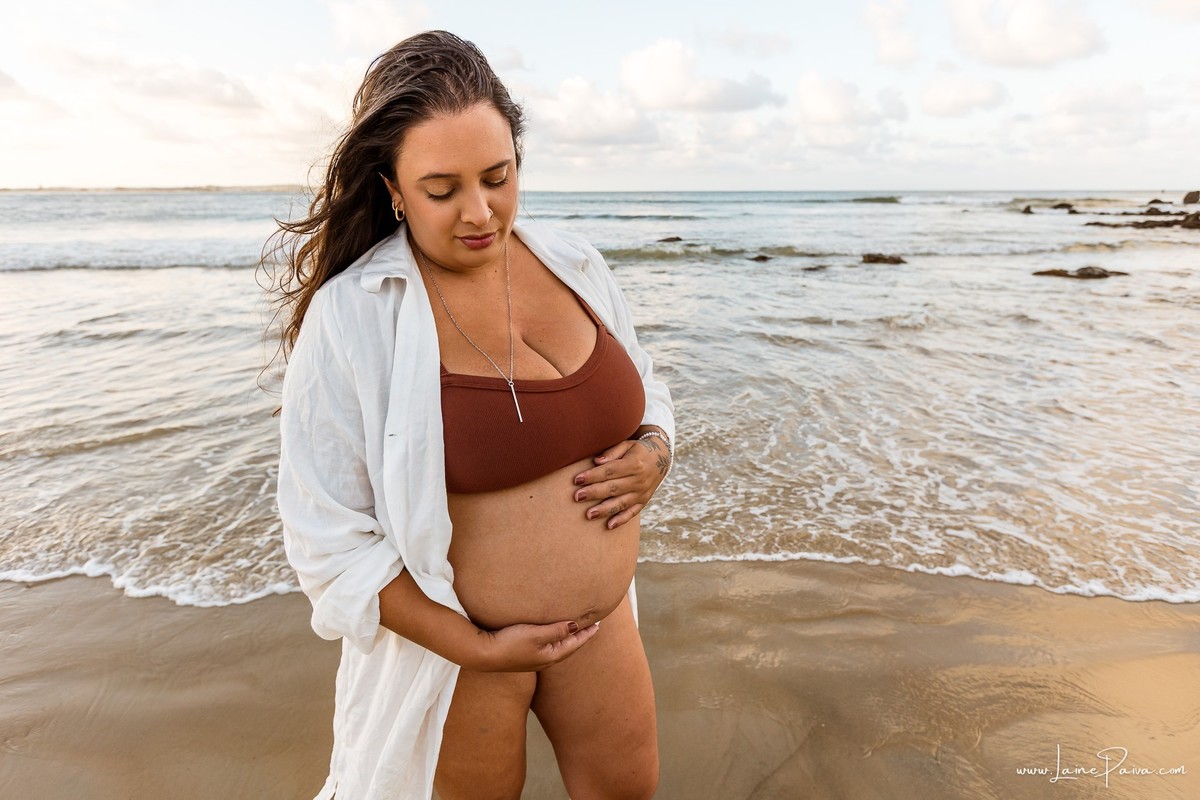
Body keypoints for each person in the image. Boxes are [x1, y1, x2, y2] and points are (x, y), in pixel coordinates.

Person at [268, 30, 675, 800]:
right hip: (460, 657)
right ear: (392, 186)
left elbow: (645, 385)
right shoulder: (355, 316)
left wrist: (655, 452)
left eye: (498, 176)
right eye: (442, 188)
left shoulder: (574, 262)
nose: (480, 211)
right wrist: (478, 649)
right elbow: (326, 538)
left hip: (602, 627)